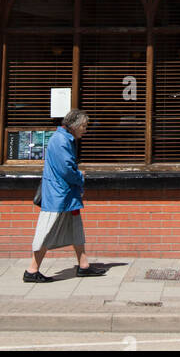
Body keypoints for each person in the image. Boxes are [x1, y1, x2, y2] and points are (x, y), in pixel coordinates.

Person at [24, 108, 106, 282]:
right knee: (46, 230)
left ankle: (83, 265)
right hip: (58, 196)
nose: (85, 129)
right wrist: (80, 176)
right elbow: (66, 170)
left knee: (76, 229)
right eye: (84, 126)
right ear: (74, 125)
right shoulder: (61, 141)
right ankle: (32, 270)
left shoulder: (65, 139)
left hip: (68, 196)